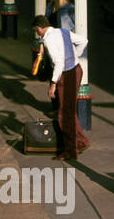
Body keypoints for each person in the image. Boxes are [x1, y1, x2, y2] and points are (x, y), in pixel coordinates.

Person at [32, 16, 89, 160]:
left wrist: (53, 84)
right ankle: (81, 141)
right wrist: (75, 55)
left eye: (36, 30)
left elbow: (59, 63)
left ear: (39, 28)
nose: (37, 33)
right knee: (68, 110)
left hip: (67, 75)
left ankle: (70, 151)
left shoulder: (49, 40)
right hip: (76, 69)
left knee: (64, 114)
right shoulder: (62, 31)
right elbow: (83, 41)